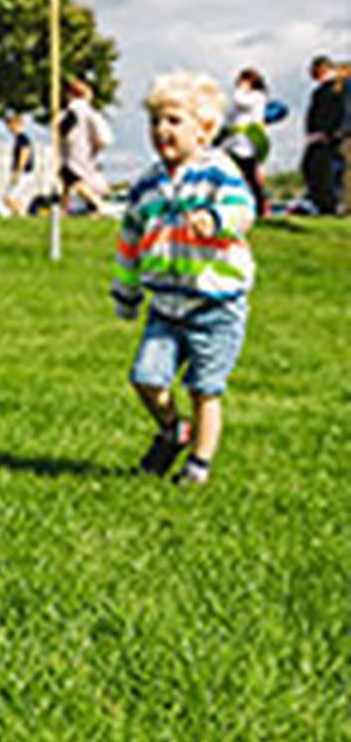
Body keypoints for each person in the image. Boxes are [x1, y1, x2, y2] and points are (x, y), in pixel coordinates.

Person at [111, 72, 255, 485]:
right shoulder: (147, 186)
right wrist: (126, 291)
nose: (162, 130)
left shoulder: (218, 173)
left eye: (174, 120)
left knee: (205, 389)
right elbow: (130, 242)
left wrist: (217, 219)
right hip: (166, 307)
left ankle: (198, 466)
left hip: (216, 306)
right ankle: (173, 430)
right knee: (146, 379)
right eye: (156, 121)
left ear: (205, 129)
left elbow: (243, 208)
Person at [218, 68, 271, 217]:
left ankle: (261, 207)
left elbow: (240, 102)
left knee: (250, 175)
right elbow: (229, 116)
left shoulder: (256, 97)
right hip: (233, 141)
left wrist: (241, 90)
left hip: (247, 141)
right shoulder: (240, 98)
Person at [58, 76, 113, 215]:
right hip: (81, 152)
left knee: (75, 182)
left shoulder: (76, 111)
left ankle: (98, 205)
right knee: (67, 182)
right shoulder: (85, 111)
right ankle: (64, 210)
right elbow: (103, 136)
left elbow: (63, 131)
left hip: (75, 153)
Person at [300, 55, 344, 216]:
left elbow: (335, 113)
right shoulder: (323, 90)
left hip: (327, 137)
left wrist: (328, 133)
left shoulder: (334, 89)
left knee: (324, 172)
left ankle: (328, 205)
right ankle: (321, 203)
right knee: (311, 168)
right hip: (319, 136)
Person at [4, 113, 38, 216]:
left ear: (16, 125)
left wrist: (18, 172)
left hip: (23, 173)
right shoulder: (20, 138)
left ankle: (23, 216)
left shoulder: (22, 139)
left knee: (9, 198)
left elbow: (24, 154)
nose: (8, 128)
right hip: (24, 173)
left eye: (10, 125)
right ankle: (20, 216)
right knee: (15, 199)